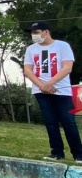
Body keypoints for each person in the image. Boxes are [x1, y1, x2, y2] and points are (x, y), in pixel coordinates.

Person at [23, 21, 82, 162]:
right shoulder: (31, 49)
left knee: (68, 121)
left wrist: (50, 83)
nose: (34, 36)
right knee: (50, 121)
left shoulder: (62, 46)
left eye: (36, 32)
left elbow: (67, 67)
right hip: (40, 91)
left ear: (46, 32)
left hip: (61, 90)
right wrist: (42, 86)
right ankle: (56, 152)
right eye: (32, 33)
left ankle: (79, 154)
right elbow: (27, 70)